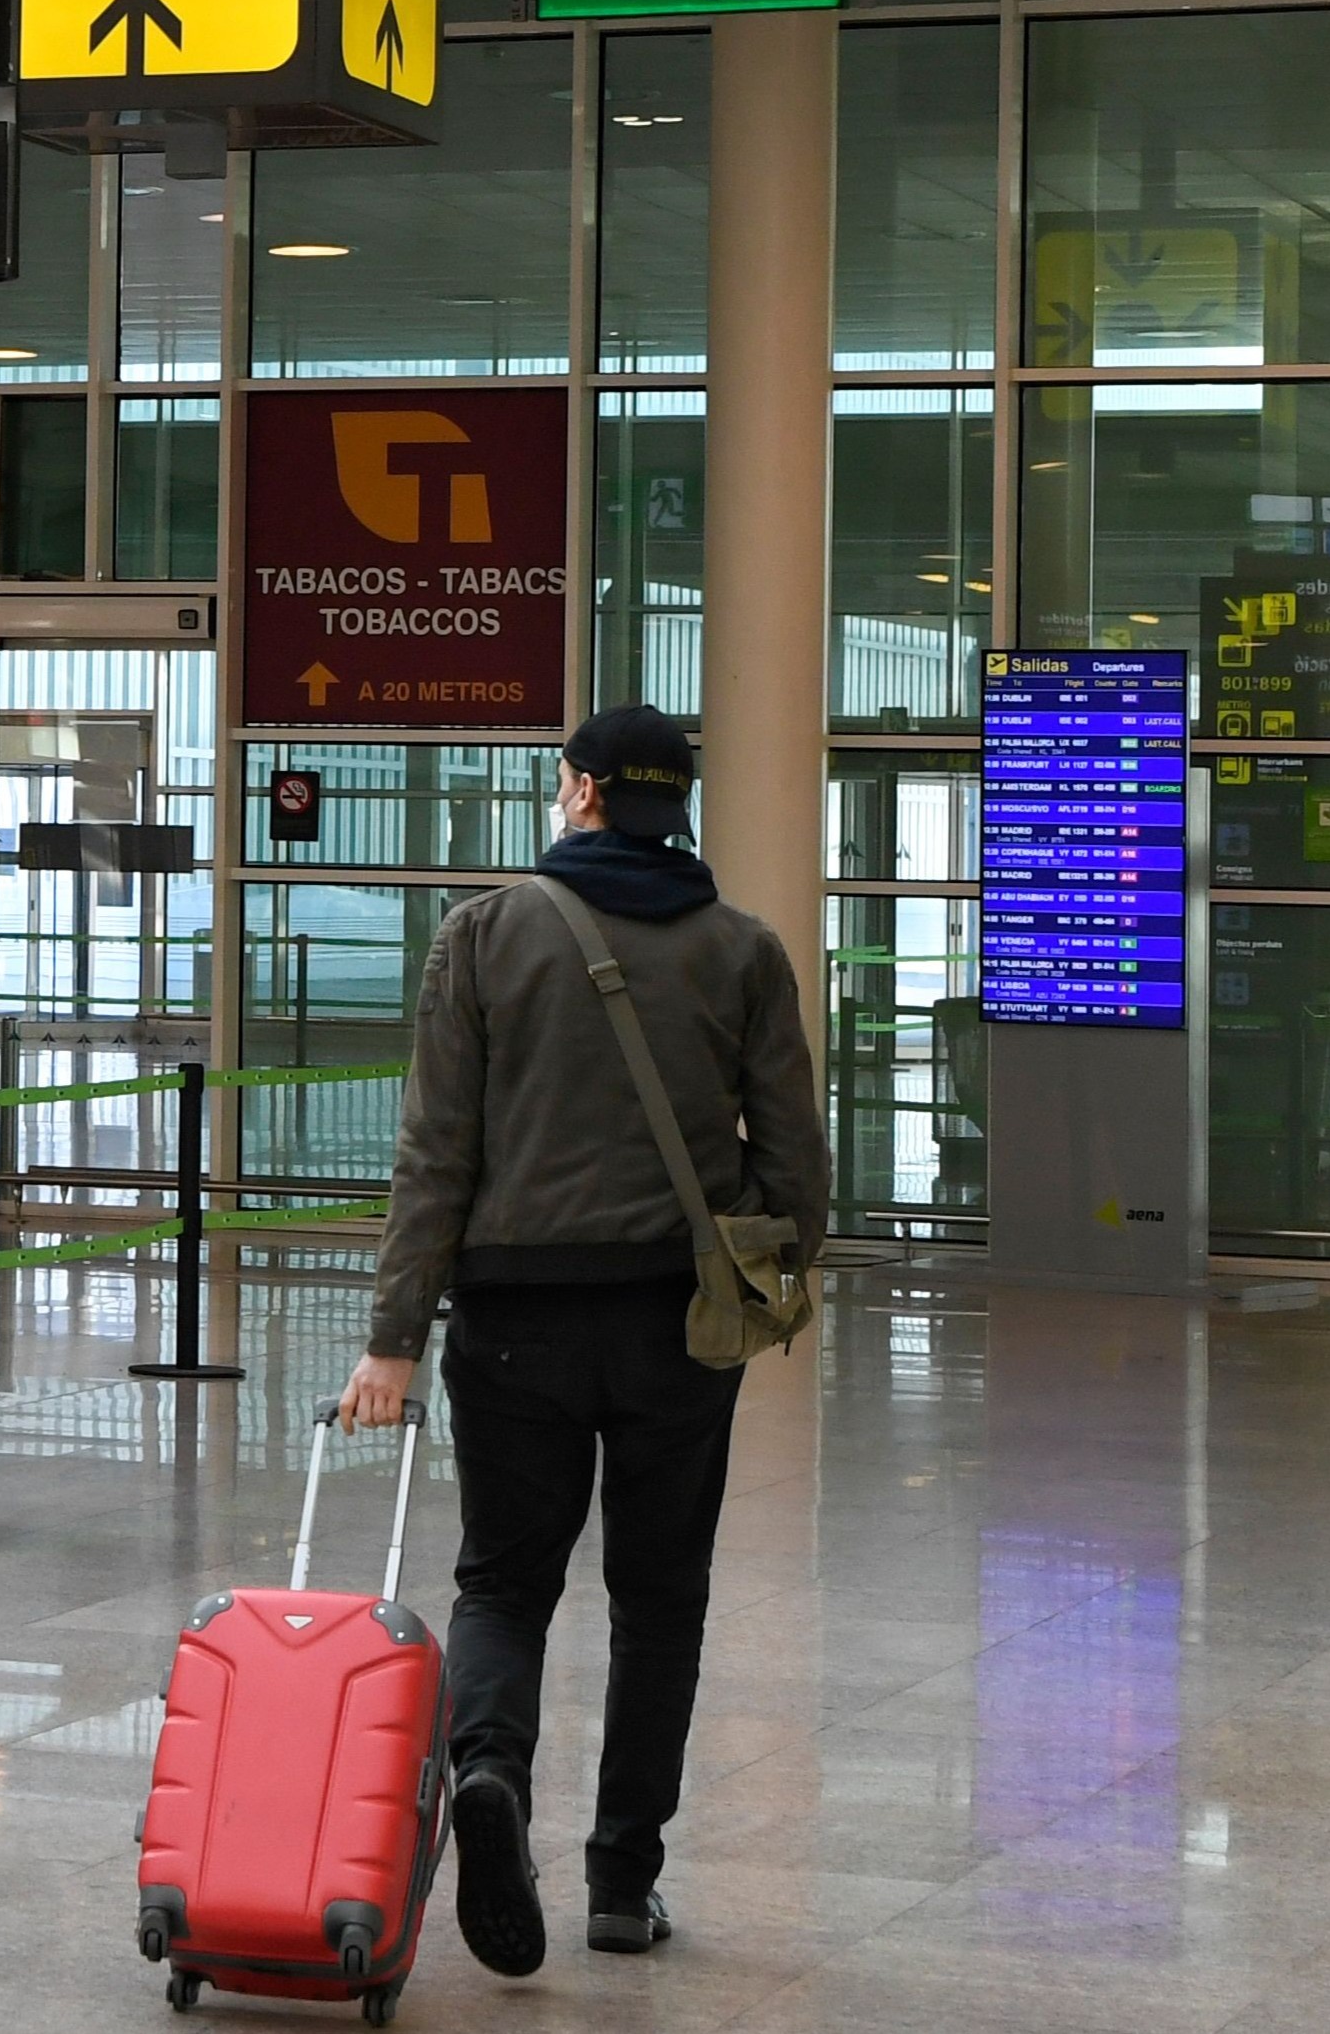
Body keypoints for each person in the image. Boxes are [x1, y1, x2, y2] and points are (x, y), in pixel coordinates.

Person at [341, 705, 821, 1978]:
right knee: (660, 1601)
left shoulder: (486, 935)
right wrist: (773, 1271)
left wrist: (394, 1335)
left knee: (504, 1582)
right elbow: (795, 1162)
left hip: (512, 1320)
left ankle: (490, 1769)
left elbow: (435, 1157)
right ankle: (624, 1879)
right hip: (677, 1319)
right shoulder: (743, 949)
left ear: (584, 793)